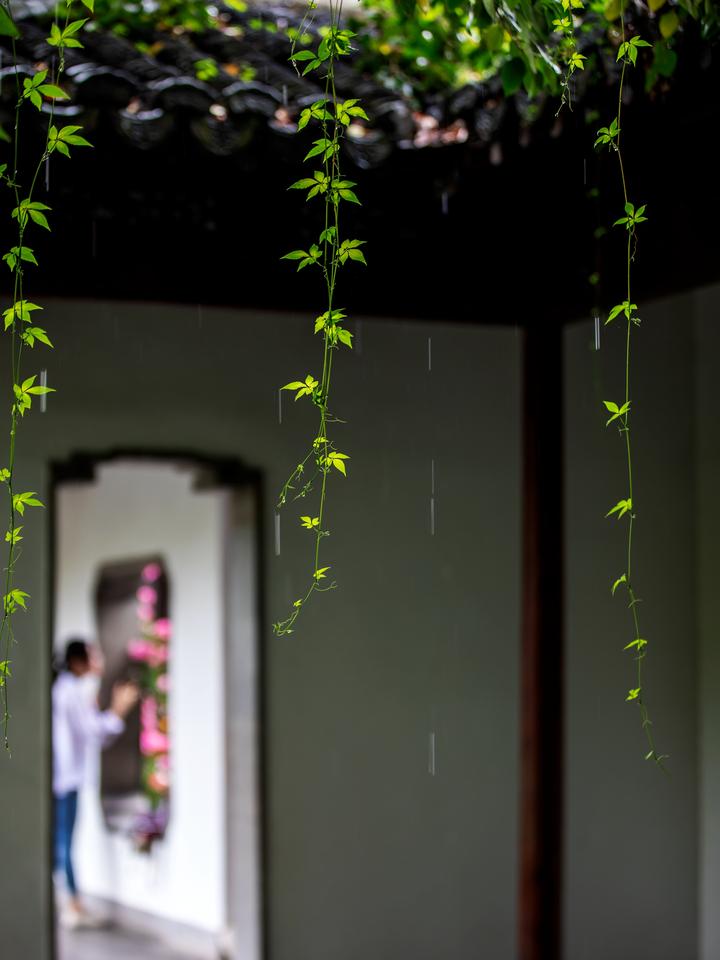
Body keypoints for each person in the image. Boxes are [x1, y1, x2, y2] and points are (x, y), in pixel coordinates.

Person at [52, 638, 138, 929]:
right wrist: (118, 710)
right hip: (66, 779)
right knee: (64, 841)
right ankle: (73, 903)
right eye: (91, 656)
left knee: (60, 840)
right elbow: (92, 731)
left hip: (60, 777)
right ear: (78, 661)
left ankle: (68, 899)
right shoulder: (71, 691)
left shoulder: (63, 689)